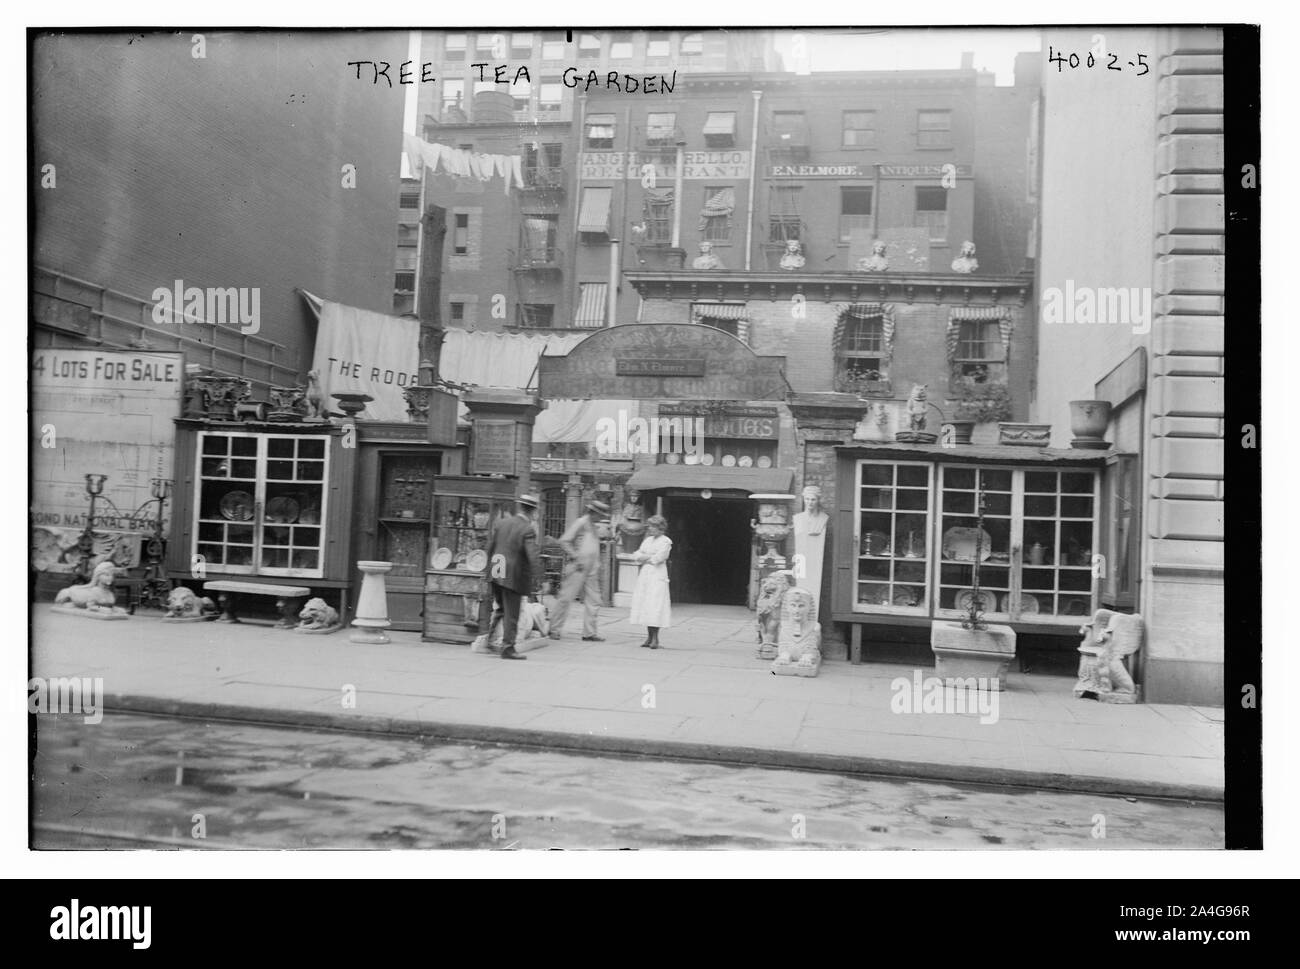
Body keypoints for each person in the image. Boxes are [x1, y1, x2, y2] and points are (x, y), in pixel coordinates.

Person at [483, 494, 545, 660]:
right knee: (512, 613)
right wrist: (540, 578)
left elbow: (490, 548)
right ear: (533, 511)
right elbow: (532, 555)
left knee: (500, 608)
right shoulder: (527, 529)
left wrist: (487, 570)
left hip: (496, 570)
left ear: (520, 508)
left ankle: (489, 640)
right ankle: (508, 647)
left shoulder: (501, 523)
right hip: (513, 575)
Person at [549, 499, 610, 642]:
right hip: (578, 566)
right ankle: (554, 629)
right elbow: (564, 541)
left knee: (594, 600)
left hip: (592, 568)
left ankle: (589, 632)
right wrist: (576, 556)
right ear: (593, 513)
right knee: (565, 598)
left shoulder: (593, 526)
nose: (601, 518)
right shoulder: (581, 523)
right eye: (599, 515)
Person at [629, 515, 672, 649]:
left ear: (661, 528)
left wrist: (645, 558)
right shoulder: (648, 540)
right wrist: (644, 557)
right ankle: (648, 637)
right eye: (650, 526)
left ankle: (655, 638)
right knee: (646, 604)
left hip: (657, 574)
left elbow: (659, 558)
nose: (651, 529)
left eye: (654, 527)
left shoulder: (666, 541)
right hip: (646, 574)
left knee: (655, 604)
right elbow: (636, 554)